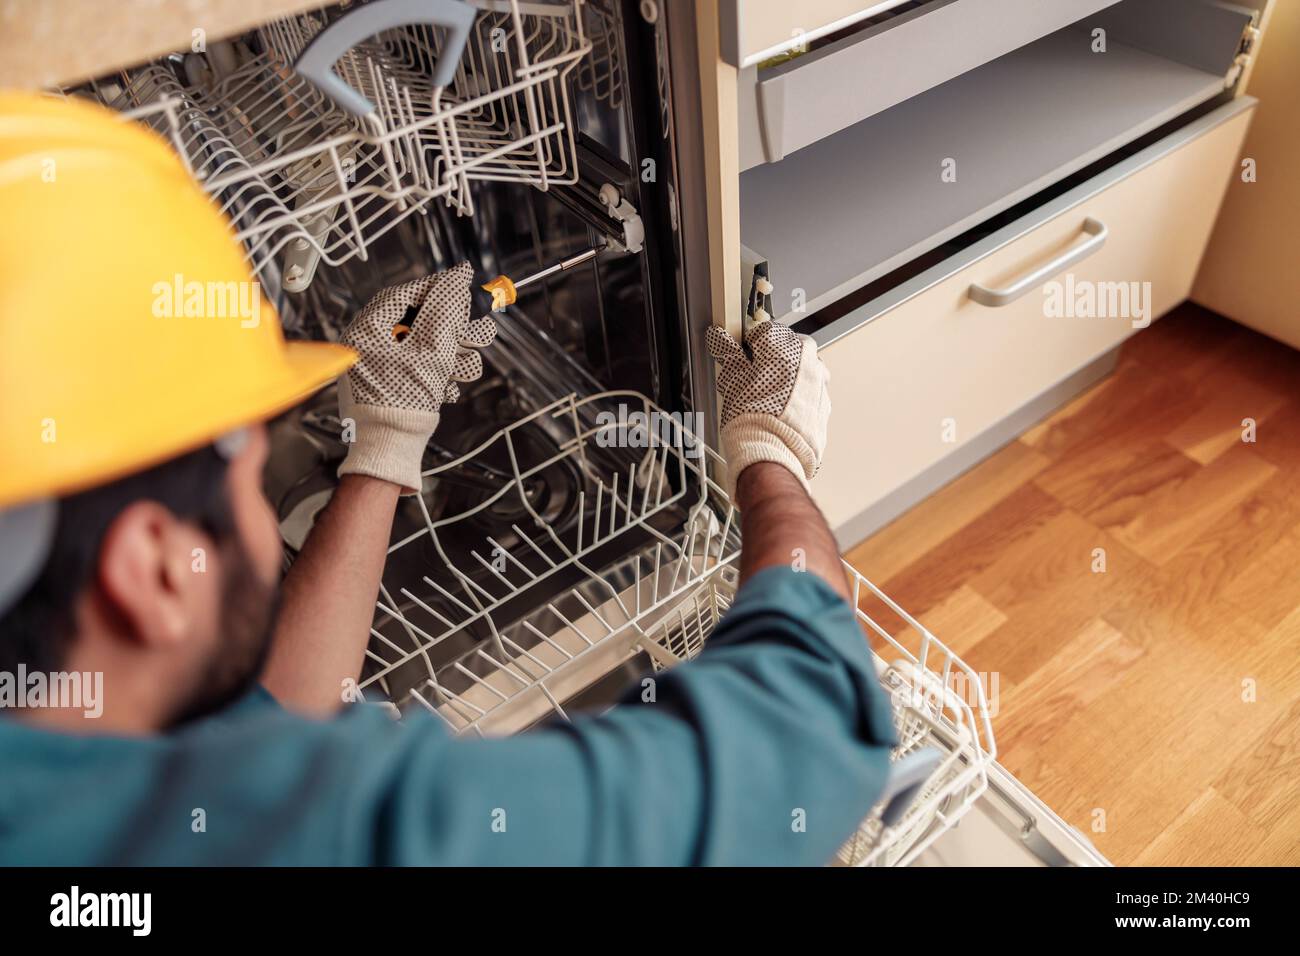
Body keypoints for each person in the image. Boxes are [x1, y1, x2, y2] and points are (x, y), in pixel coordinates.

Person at [0, 93, 897, 865]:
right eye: (246, 438)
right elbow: (808, 734)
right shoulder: (316, 834)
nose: (262, 464)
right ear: (154, 570)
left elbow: (278, 716)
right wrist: (771, 454)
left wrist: (384, 446)